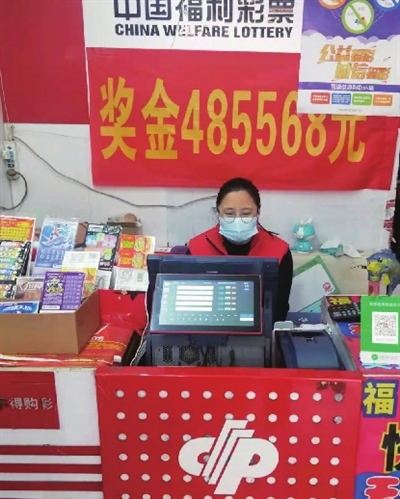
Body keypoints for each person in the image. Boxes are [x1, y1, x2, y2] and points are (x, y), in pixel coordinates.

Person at [188, 177, 293, 321]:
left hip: (262, 331)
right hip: (207, 328)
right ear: (218, 213)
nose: (238, 220)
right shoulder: (196, 249)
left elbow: (279, 310)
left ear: (257, 213)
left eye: (246, 213)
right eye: (229, 213)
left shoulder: (279, 252)